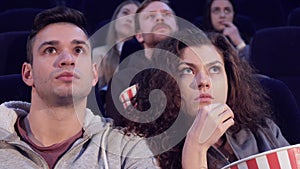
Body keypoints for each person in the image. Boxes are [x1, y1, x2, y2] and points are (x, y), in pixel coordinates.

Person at [0, 6, 159, 169]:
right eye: (51, 50)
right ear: (28, 74)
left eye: (78, 50)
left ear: (94, 74)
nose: (67, 59)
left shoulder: (126, 148)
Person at [121, 30, 289, 168]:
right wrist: (195, 148)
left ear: (229, 79)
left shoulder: (264, 131)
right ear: (165, 83)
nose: (203, 82)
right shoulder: (145, 148)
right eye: (187, 71)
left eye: (214, 69)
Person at [103, 0, 179, 124]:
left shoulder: (192, 71)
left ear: (176, 29)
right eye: (151, 16)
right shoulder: (123, 79)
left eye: (166, 14)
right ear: (139, 35)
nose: (160, 18)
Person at [93, 0, 140, 89]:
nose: (129, 19)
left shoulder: (143, 56)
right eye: (125, 13)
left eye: (135, 17)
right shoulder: (98, 53)